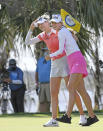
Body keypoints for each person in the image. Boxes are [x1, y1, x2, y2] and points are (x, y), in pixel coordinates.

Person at [25, 16, 87, 127]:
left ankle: (82, 116)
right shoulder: (43, 35)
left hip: (65, 61)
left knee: (72, 89)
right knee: (53, 92)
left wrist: (73, 37)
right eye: (39, 25)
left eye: (43, 23)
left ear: (48, 22)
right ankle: (54, 120)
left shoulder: (58, 31)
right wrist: (31, 29)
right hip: (54, 64)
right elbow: (27, 42)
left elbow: (70, 39)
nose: (41, 26)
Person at [49, 14, 99, 126]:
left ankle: (67, 116)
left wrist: (50, 55)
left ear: (60, 23)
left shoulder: (62, 32)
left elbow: (61, 50)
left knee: (70, 87)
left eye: (55, 22)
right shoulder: (64, 31)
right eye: (52, 23)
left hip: (76, 61)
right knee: (82, 90)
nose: (53, 24)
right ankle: (92, 117)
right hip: (75, 61)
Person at [35, 47, 51, 112]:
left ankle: (49, 114)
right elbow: (37, 72)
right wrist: (36, 83)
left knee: (49, 100)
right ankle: (43, 114)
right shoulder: (40, 60)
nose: (46, 52)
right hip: (41, 84)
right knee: (41, 101)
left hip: (49, 83)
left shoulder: (52, 60)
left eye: (47, 50)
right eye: (44, 50)